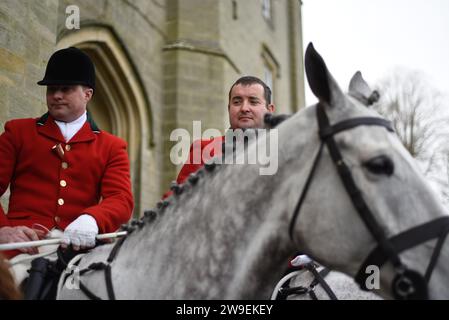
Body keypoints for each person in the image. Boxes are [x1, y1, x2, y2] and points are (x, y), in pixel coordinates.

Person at [0, 47, 134, 277]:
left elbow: (121, 200)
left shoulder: (112, 147)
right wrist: (3, 230)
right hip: (21, 246)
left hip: (79, 250)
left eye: (66, 89)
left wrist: (93, 219)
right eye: (52, 89)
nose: (57, 95)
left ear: (88, 94)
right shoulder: (18, 132)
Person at [164, 76, 275, 197]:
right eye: (237, 102)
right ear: (229, 109)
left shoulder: (284, 150)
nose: (244, 108)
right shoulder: (202, 149)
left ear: (270, 110)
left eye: (253, 102)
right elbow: (175, 205)